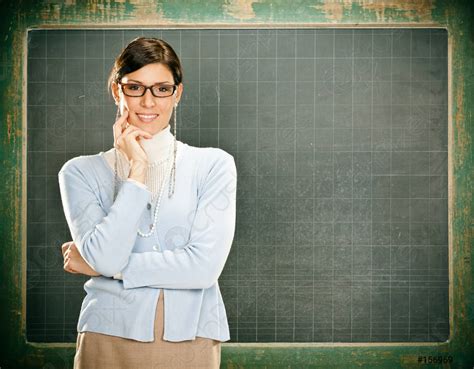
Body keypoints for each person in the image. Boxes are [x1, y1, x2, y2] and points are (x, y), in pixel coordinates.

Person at [58, 37, 237, 369]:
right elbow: (107, 255)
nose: (148, 102)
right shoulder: (79, 172)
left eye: (161, 89)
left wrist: (107, 269)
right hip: (106, 336)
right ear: (117, 90)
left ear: (177, 94)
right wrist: (137, 171)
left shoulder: (213, 164)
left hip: (191, 336)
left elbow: (204, 268)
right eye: (135, 88)